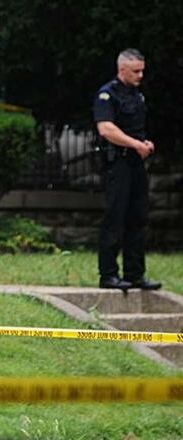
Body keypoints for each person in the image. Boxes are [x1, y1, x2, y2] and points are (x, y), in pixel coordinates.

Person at [93, 48, 161, 291]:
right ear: (122, 69)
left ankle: (135, 274)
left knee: (138, 217)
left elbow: (136, 128)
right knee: (115, 216)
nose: (140, 75)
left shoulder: (137, 96)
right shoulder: (107, 95)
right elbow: (106, 129)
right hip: (118, 163)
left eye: (142, 70)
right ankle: (108, 274)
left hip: (136, 163)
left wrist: (145, 144)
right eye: (136, 71)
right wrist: (135, 145)